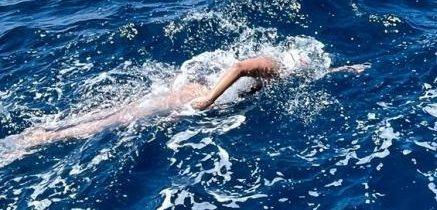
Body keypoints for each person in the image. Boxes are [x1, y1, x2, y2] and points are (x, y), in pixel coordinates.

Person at [5, 56, 368, 151]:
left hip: (193, 91)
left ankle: (43, 131)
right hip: (193, 96)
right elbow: (241, 67)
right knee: (117, 119)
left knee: (119, 111)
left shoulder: (287, 70)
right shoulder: (275, 68)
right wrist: (209, 99)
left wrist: (344, 70)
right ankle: (37, 140)